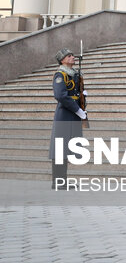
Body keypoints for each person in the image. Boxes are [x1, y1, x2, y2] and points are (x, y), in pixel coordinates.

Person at [50, 48, 86, 189]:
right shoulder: (60, 74)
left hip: (73, 115)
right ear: (62, 60)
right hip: (65, 114)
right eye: (69, 56)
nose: (73, 57)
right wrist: (77, 108)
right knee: (60, 148)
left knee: (67, 148)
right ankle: (58, 181)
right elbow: (60, 95)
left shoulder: (74, 74)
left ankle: (62, 180)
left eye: (72, 55)